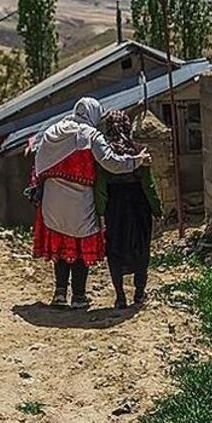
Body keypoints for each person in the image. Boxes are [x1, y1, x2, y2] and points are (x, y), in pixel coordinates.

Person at [30, 97, 149, 309]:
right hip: (79, 198)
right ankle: (78, 296)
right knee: (78, 244)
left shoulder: (53, 131)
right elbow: (111, 162)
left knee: (61, 241)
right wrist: (137, 160)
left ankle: (59, 293)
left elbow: (38, 163)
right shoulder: (91, 135)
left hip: (52, 197)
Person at [95, 110, 161, 309]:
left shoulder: (105, 155)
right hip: (138, 206)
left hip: (115, 209)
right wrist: (157, 209)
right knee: (141, 247)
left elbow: (100, 187)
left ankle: (120, 296)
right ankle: (139, 294)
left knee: (115, 249)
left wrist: (100, 211)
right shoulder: (138, 151)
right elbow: (148, 185)